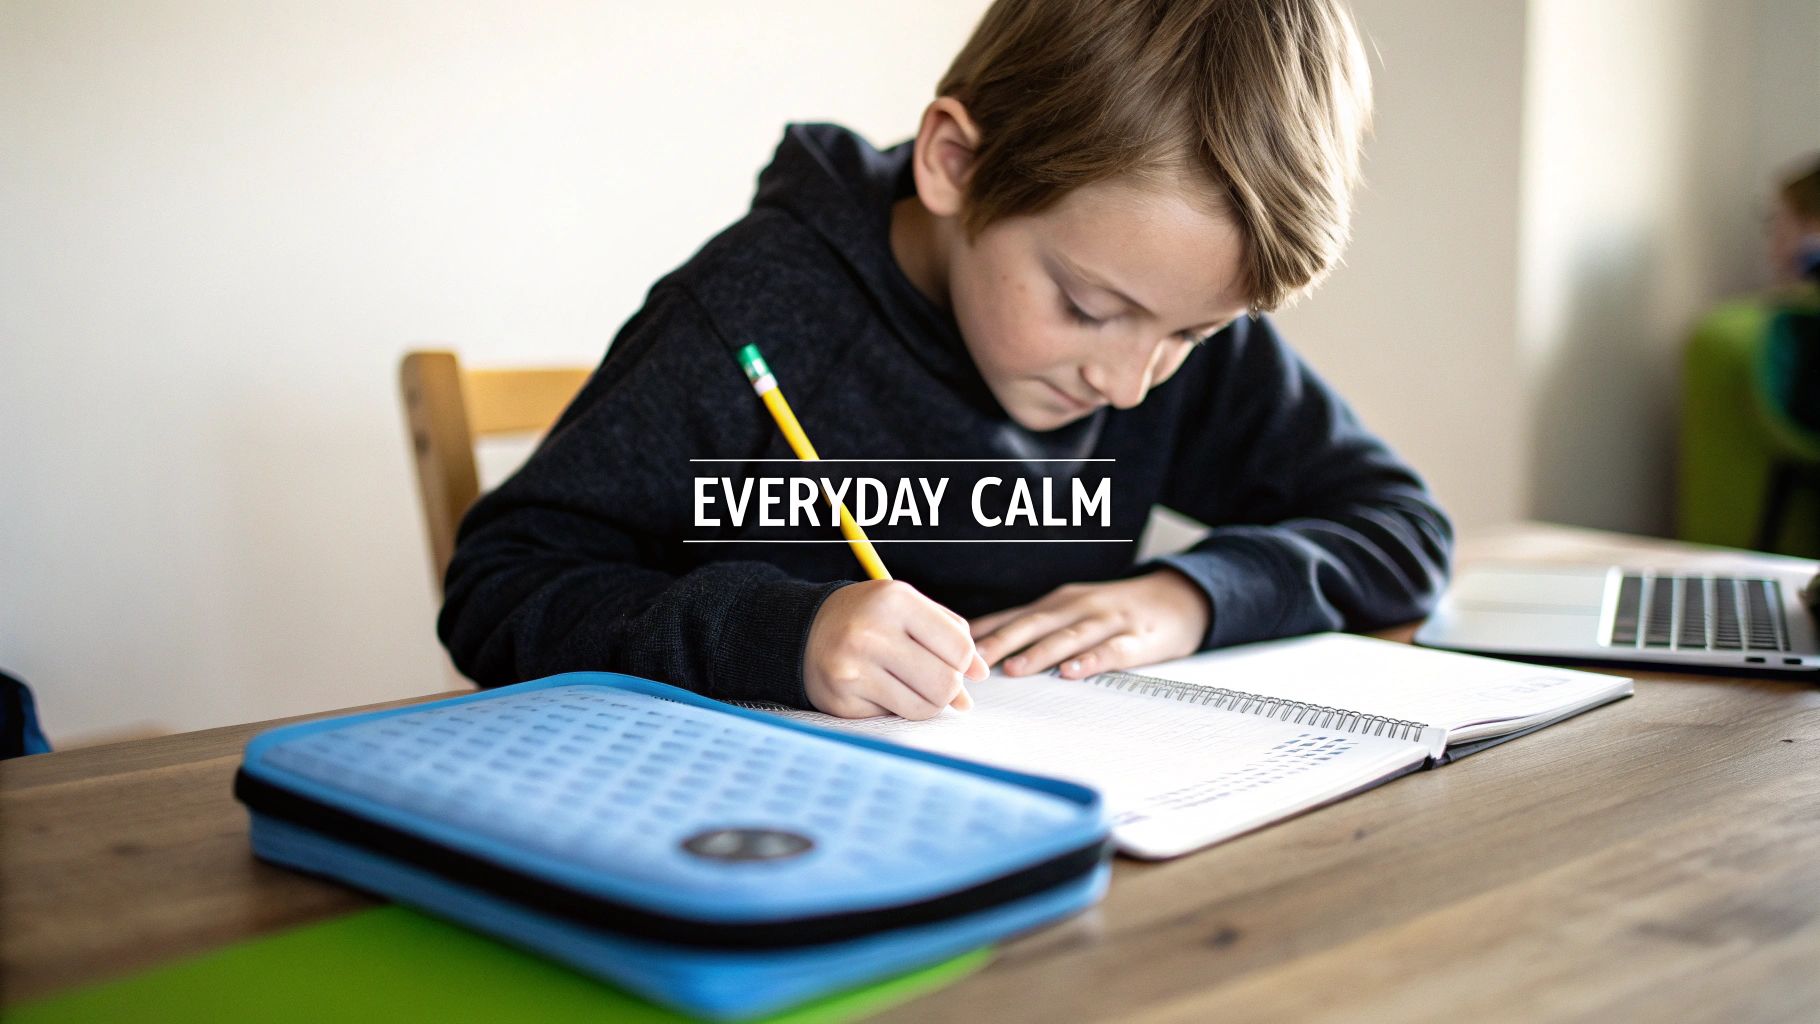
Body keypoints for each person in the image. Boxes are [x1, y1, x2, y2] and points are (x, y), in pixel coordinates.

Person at [438, 0, 1453, 720]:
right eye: (1086, 306)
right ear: (954, 164)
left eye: (1192, 336)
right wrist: (784, 633)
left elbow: (1402, 528)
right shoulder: (759, 308)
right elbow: (499, 585)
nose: (1130, 379)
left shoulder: (1159, 311)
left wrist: (1189, 596)